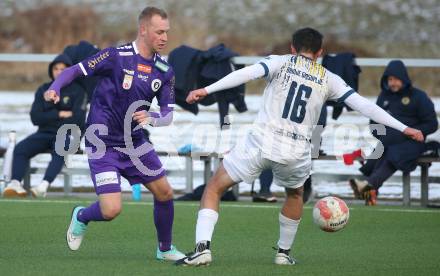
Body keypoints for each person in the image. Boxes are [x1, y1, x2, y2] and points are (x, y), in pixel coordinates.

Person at [176, 27, 423, 266]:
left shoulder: (279, 61)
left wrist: (206, 89)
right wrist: (404, 128)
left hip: (261, 142)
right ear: (320, 53)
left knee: (214, 187)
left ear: (293, 48)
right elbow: (364, 105)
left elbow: (246, 73)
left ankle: (202, 249)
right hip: (296, 151)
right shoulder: (329, 78)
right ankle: (283, 254)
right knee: (295, 194)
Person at [44, 7, 185, 261]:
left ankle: (165, 249)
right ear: (143, 29)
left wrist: (153, 117)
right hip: (102, 143)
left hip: (135, 144)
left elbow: (167, 114)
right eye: (159, 31)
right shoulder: (115, 56)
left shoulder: (165, 71)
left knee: (165, 192)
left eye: (167, 32)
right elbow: (74, 71)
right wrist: (55, 87)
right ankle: (81, 216)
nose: (165, 37)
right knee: (111, 210)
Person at [349, 60, 438, 205]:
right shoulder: (383, 96)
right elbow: (373, 123)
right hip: (388, 142)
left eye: (396, 79)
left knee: (393, 153)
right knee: (385, 150)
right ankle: (369, 192)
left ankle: (368, 187)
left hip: (414, 143)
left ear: (404, 78)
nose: (393, 83)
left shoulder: (419, 97)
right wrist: (388, 136)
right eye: (390, 79)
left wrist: (414, 133)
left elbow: (432, 124)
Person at [2, 54, 86, 198]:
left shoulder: (78, 91)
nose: (59, 72)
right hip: (44, 132)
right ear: (51, 71)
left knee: (60, 150)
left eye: (63, 69)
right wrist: (59, 114)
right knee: (21, 149)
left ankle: (43, 185)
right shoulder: (44, 90)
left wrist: (49, 116)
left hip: (66, 134)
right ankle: (16, 183)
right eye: (56, 69)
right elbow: (35, 117)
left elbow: (78, 120)